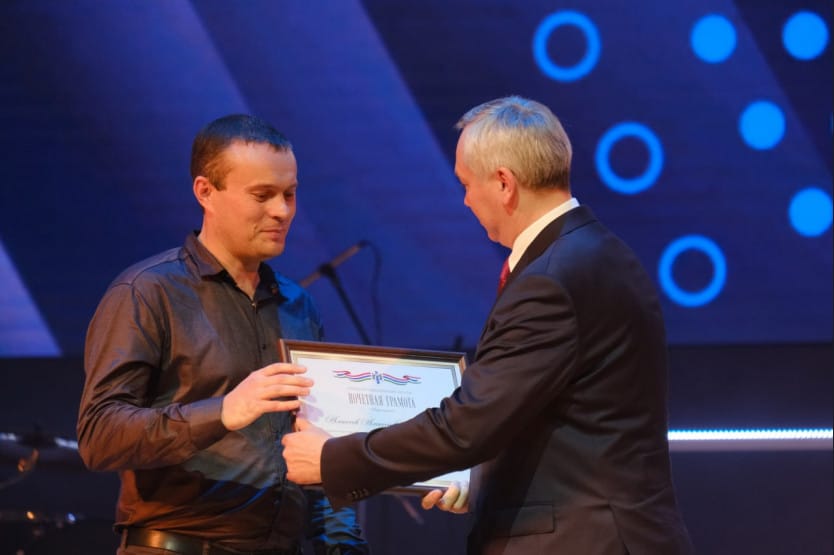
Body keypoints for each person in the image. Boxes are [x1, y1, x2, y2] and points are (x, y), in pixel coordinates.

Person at [282, 96, 695, 554]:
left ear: (503, 183)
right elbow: (562, 418)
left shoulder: (552, 279)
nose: (464, 200)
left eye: (466, 184)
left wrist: (332, 458)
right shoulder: (596, 252)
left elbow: (469, 425)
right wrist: (476, 476)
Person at [77, 114, 369, 555]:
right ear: (205, 192)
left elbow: (314, 446)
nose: (282, 211)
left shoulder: (298, 305)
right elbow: (100, 436)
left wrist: (345, 546)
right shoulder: (147, 292)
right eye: (262, 195)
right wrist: (225, 410)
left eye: (290, 194)